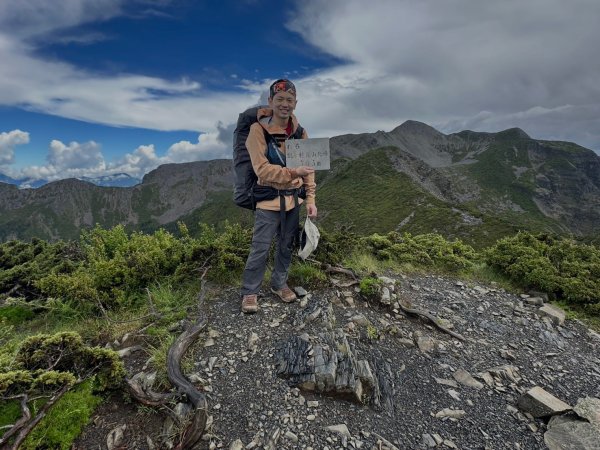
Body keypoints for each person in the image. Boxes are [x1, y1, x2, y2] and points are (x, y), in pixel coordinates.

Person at [240, 79, 317, 313]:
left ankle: (279, 284)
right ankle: (250, 292)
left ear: (296, 103)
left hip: (294, 200)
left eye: (290, 100)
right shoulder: (257, 130)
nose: (285, 104)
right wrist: (294, 172)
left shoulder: (300, 132)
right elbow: (261, 169)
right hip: (268, 201)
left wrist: (311, 199)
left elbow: (309, 169)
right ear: (270, 101)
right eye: (280, 99)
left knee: (286, 245)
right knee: (260, 247)